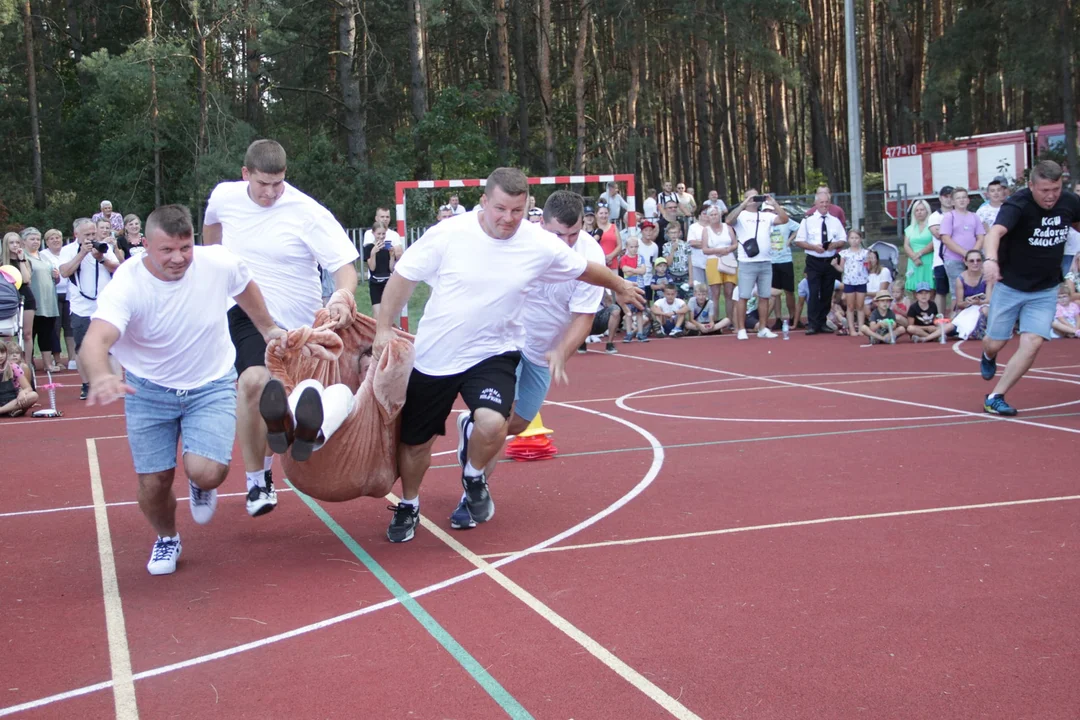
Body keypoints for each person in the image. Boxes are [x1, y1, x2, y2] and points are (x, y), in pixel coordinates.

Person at [371, 167, 643, 543]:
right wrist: (384, 326)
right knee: (417, 443)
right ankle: (410, 504)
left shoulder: (537, 242)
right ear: (484, 202)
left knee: (495, 422)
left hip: (495, 351)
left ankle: (473, 476)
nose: (508, 219)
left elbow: (584, 270)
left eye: (517, 211)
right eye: (500, 209)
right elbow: (403, 277)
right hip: (438, 354)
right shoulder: (448, 234)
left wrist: (620, 284)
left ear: (526, 207)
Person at [81, 204, 284, 576]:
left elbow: (244, 288)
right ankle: (167, 537)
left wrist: (268, 328)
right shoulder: (127, 282)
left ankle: (199, 483)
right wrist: (99, 375)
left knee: (209, 472)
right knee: (154, 481)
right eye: (167, 251)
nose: (178, 258)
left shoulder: (217, 262)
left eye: (185, 248)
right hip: (147, 390)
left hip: (210, 382)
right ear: (145, 245)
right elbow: (95, 341)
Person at [202, 138, 359, 517]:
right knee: (255, 382)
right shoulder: (224, 196)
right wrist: (213, 272)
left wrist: (341, 297)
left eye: (279, 184)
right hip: (246, 315)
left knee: (292, 402)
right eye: (262, 185)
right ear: (245, 175)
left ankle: (294, 431)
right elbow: (211, 232)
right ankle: (257, 482)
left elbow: (345, 269)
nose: (271, 193)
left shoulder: (308, 212)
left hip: (300, 324)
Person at [470, 191, 610, 518]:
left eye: (573, 233)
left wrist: (562, 351)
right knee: (499, 419)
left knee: (517, 425)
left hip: (542, 352)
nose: (566, 241)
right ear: (542, 223)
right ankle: (474, 490)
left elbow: (585, 317)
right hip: (505, 340)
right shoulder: (520, 240)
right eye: (559, 234)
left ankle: (473, 432)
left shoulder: (591, 257)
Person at [980, 160, 1080, 415]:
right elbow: (994, 233)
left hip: (1045, 289)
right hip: (1010, 286)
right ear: (1031, 185)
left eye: (1055, 189)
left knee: (1033, 342)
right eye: (1045, 190)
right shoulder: (1018, 205)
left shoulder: (1068, 202)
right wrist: (991, 260)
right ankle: (988, 355)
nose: (1051, 196)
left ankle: (995, 396)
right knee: (995, 342)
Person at [58, 218, 119, 400]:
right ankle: (86, 384)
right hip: (80, 307)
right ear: (76, 234)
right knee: (81, 347)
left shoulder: (103, 247)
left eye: (93, 234)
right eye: (87, 235)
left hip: (104, 305)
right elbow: (64, 272)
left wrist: (101, 258)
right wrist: (82, 254)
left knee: (109, 346)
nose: (92, 237)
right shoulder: (67, 250)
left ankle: (112, 383)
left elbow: (117, 267)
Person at [728, 189, 788, 339]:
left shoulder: (766, 215)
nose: (754, 199)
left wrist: (774, 203)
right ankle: (741, 329)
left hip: (766, 261)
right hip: (747, 262)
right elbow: (729, 221)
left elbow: (784, 219)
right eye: (751, 197)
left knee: (764, 296)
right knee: (744, 296)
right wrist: (743, 204)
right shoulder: (741, 215)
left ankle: (762, 327)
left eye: (756, 196)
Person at [794, 191, 847, 334]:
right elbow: (799, 241)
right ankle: (812, 323)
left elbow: (843, 238)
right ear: (816, 204)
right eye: (821, 202)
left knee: (827, 291)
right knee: (814, 290)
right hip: (813, 261)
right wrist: (813, 247)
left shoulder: (834, 221)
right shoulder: (807, 220)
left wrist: (834, 245)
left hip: (830, 261)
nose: (824, 205)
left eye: (826, 202)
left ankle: (822, 322)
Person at [20, 228, 63, 372]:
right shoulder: (22, 257)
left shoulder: (44, 257)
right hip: (32, 301)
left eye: (37, 239)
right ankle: (27, 363)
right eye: (32, 239)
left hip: (48, 301)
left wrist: (56, 276)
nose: (35, 242)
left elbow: (52, 279)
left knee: (47, 333)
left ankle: (48, 364)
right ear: (24, 241)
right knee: (29, 333)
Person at [41, 228, 76, 368]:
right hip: (52, 294)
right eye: (52, 238)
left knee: (69, 327)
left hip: (69, 293)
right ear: (47, 242)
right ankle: (57, 359)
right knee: (55, 327)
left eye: (58, 238)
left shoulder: (67, 252)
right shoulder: (43, 255)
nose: (56, 240)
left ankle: (72, 358)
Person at [939, 188, 986, 292]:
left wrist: (973, 254)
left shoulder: (975, 217)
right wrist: (964, 253)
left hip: (974, 261)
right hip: (954, 260)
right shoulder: (949, 217)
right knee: (957, 292)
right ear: (953, 202)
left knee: (977, 288)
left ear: (968, 200)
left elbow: (980, 237)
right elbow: (946, 239)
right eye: (958, 198)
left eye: (964, 197)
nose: (961, 200)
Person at [702, 206, 738, 325]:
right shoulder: (706, 230)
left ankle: (731, 320)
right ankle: (716, 321)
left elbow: (735, 244)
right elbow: (705, 249)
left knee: (729, 292)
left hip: (729, 259)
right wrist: (718, 251)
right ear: (708, 217)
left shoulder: (728, 227)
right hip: (713, 261)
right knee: (715, 293)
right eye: (711, 215)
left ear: (720, 215)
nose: (714, 217)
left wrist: (727, 249)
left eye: (716, 214)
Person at [2, 232, 35, 354]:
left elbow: (26, 280)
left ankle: (26, 365)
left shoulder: (26, 261)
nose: (15, 245)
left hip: (25, 297)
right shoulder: (2, 262)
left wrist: (21, 260)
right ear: (6, 244)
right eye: (11, 242)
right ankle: (7, 365)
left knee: (27, 333)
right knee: (7, 333)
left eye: (17, 242)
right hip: (7, 300)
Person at [833, 228, 869, 337]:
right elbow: (842, 269)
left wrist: (868, 263)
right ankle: (851, 328)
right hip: (849, 282)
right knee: (850, 306)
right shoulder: (844, 253)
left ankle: (861, 328)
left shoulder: (865, 253)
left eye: (857, 238)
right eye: (852, 238)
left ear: (860, 239)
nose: (854, 240)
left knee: (860, 305)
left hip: (861, 281)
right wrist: (835, 265)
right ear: (848, 239)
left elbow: (868, 267)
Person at [768, 214, 801, 330]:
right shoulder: (764, 221)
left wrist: (790, 240)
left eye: (770, 210)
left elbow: (799, 228)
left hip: (785, 259)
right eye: (766, 210)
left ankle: (793, 317)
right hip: (771, 260)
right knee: (775, 292)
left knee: (789, 291)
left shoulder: (785, 220)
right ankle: (778, 319)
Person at [364, 222, 397, 322]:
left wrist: (392, 256)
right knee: (377, 315)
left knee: (388, 314)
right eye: (379, 234)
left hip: (387, 282)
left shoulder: (388, 247)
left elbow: (391, 269)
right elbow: (372, 268)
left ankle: (389, 335)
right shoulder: (368, 247)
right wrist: (373, 252)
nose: (381, 236)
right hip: (375, 283)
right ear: (373, 233)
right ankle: (378, 335)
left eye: (383, 234)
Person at [928, 186, 954, 311]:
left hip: (959, 259)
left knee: (958, 290)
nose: (948, 199)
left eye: (951, 196)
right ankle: (941, 320)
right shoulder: (934, 216)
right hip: (940, 260)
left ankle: (957, 318)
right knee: (941, 291)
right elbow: (939, 235)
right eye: (946, 196)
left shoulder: (961, 214)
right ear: (940, 198)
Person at [619, 236, 650, 341]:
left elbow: (643, 271)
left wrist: (633, 270)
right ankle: (628, 333)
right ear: (627, 247)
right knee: (628, 311)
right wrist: (637, 270)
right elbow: (625, 270)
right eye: (632, 247)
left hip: (640, 287)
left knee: (640, 311)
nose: (634, 249)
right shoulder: (624, 258)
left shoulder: (641, 257)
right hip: (628, 288)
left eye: (636, 247)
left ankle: (640, 333)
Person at [904, 199, 935, 294]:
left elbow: (934, 243)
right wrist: (914, 257)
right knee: (916, 291)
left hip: (929, 260)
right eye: (916, 210)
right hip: (914, 263)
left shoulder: (932, 226)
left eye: (922, 209)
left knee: (930, 290)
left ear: (927, 211)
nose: (919, 212)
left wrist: (919, 254)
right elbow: (906, 245)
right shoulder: (909, 229)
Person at [595, 205, 621, 271]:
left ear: (609, 214)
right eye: (601, 213)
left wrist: (610, 256)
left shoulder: (614, 227)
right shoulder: (593, 228)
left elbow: (619, 245)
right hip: (597, 265)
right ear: (596, 214)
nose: (604, 216)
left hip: (612, 264)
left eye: (606, 213)